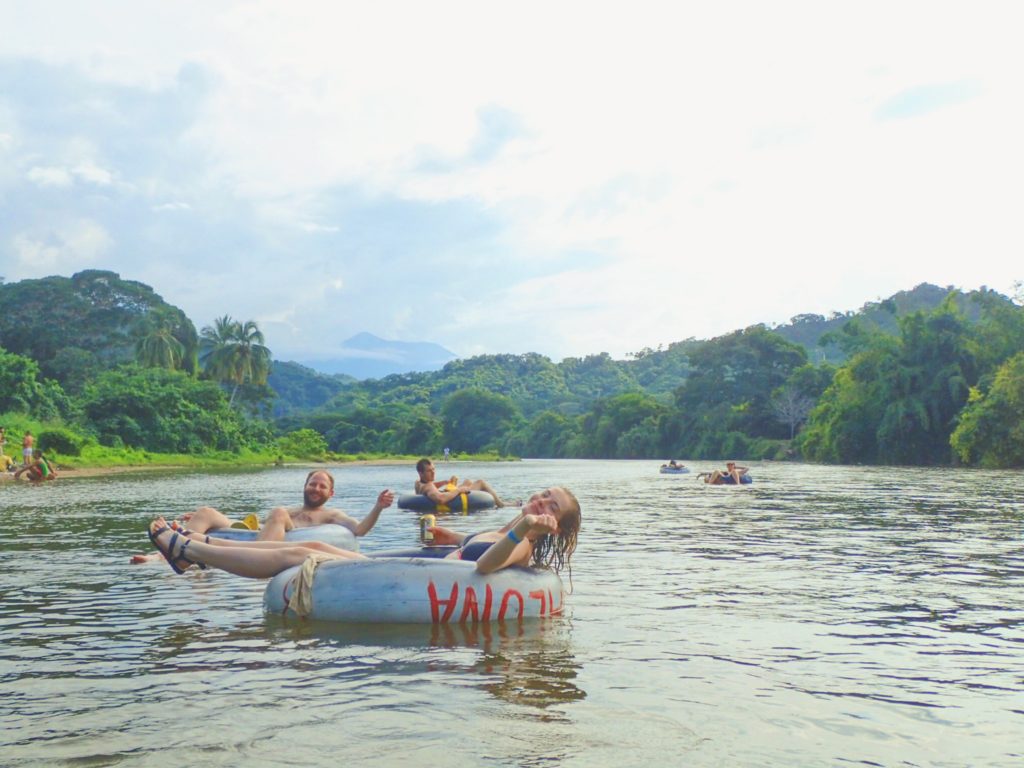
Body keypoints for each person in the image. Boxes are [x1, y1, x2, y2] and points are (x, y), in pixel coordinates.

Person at [145, 486, 580, 579]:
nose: (540, 503)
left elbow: (485, 566)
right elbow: (470, 548)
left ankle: (194, 553)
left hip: (412, 577)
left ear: (554, 524)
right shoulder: (507, 528)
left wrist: (523, 525)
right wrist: (445, 535)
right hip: (414, 564)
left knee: (305, 554)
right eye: (543, 495)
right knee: (312, 545)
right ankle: (202, 545)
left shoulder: (523, 543)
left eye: (550, 506)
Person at [130, 470, 394, 563]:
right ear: (304, 486)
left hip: (264, 550)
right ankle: (162, 556)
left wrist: (378, 507)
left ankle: (193, 552)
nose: (315, 488)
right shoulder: (290, 510)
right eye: (312, 483)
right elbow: (259, 529)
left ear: (331, 493)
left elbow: (358, 530)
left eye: (322, 486)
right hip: (255, 537)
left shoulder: (331, 515)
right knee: (205, 512)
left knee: (277, 512)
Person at [414, 458, 520, 508]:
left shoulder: (418, 483)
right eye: (429, 471)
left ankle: (500, 500)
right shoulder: (428, 487)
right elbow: (441, 499)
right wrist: (459, 489)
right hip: (453, 500)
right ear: (421, 473)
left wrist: (444, 482)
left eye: (434, 469)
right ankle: (501, 504)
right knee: (481, 482)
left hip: (446, 494)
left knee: (467, 481)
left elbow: (431, 486)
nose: (433, 473)